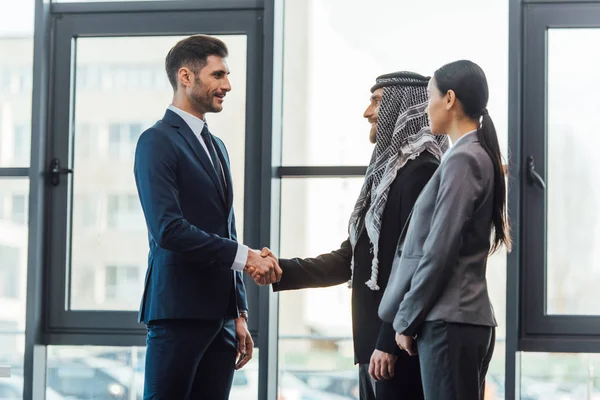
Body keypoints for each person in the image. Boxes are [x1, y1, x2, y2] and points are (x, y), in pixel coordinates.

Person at [257, 72, 448, 400]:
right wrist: (280, 269)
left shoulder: (422, 172)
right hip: (375, 350)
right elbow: (353, 259)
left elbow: (416, 267)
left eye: (376, 101)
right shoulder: (388, 178)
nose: (367, 112)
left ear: (403, 107)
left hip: (398, 350)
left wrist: (388, 341)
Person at [133, 34, 281, 400]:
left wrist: (239, 312)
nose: (227, 85)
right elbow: (169, 230)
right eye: (218, 75)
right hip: (178, 314)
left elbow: (226, 227)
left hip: (223, 320)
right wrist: (247, 256)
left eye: (227, 75)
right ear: (186, 77)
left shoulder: (217, 146)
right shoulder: (156, 141)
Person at [378, 60, 511, 400]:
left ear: (449, 99)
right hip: (459, 319)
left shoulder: (464, 158)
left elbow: (438, 250)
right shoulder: (473, 153)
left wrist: (405, 320)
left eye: (429, 97)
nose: (426, 108)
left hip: (452, 322)